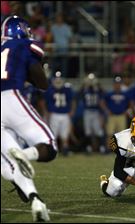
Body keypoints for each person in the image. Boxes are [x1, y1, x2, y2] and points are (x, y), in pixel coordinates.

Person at [1, 16, 57, 221]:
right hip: (10, 98)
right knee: (49, 146)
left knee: (9, 166)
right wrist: (38, 74)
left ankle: (36, 201)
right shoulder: (25, 43)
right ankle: (26, 154)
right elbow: (41, 82)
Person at [43, 71, 75, 156]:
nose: (58, 81)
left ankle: (65, 149)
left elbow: (72, 100)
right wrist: (46, 112)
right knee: (54, 133)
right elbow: (44, 102)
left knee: (65, 133)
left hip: (65, 113)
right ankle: (54, 150)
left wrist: (72, 110)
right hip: (54, 113)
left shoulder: (67, 88)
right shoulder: (50, 89)